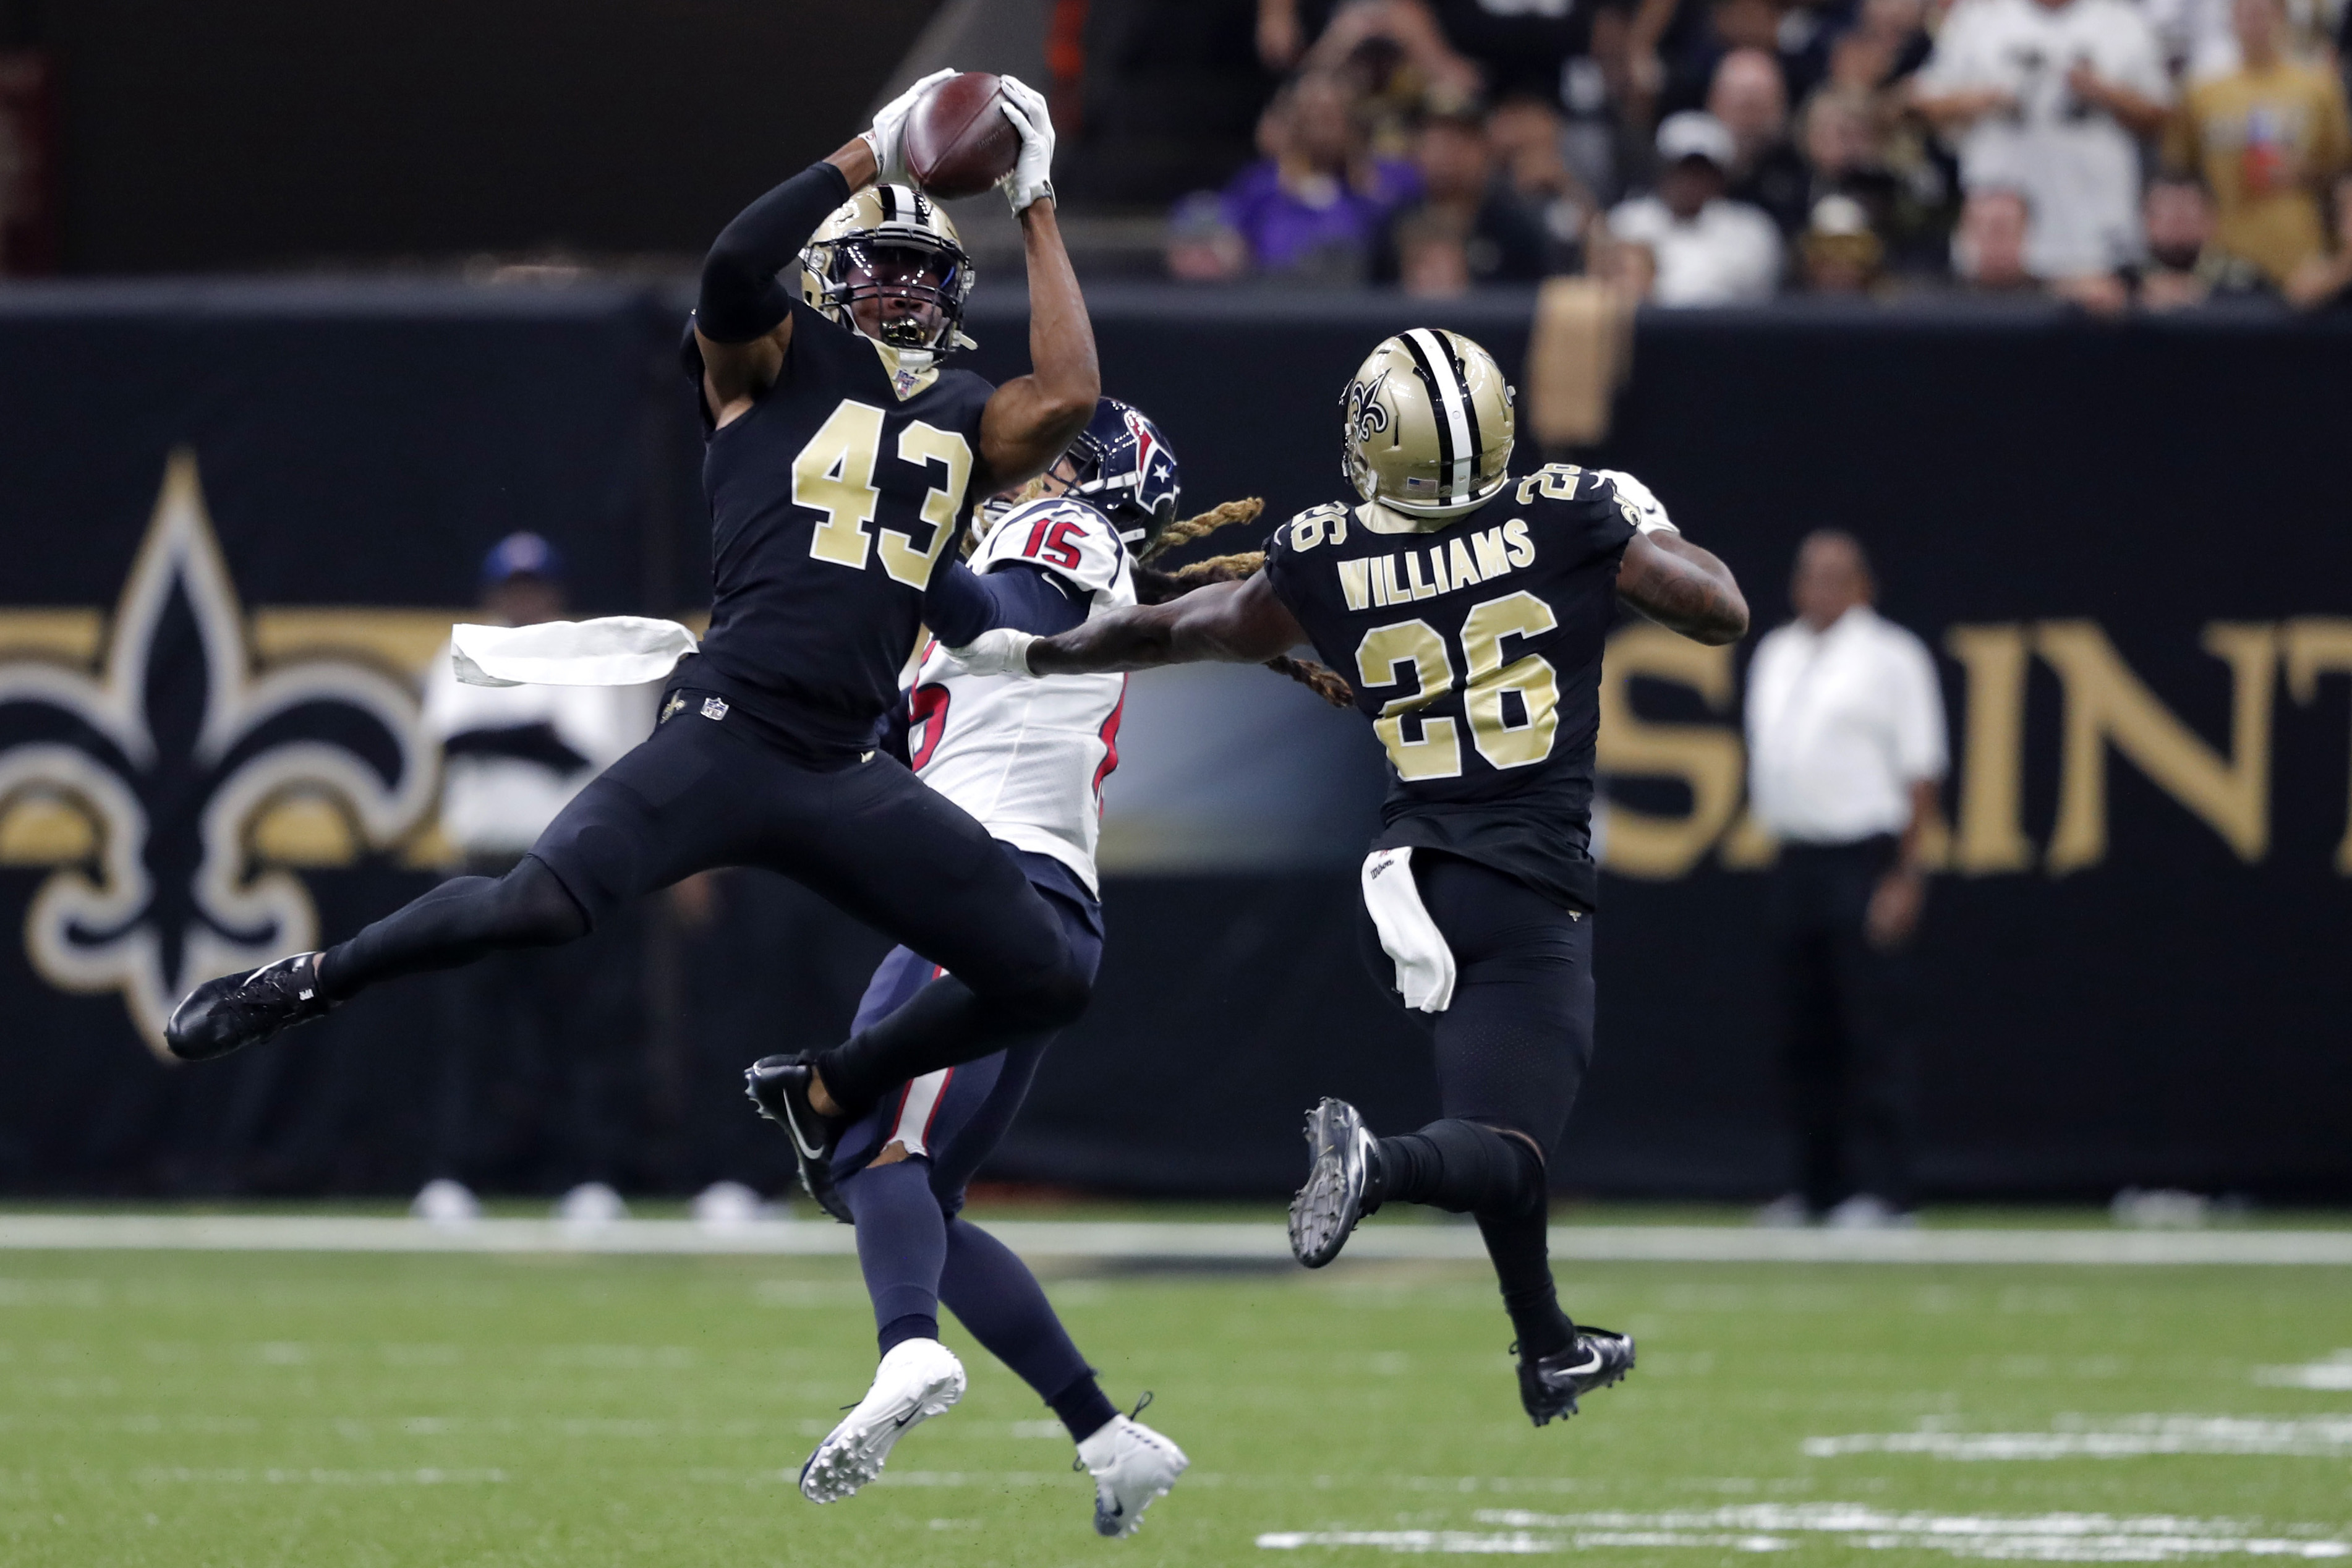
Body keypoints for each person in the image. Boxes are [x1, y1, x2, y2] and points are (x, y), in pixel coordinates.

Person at [164, 71, 1109, 1160]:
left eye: (920, 270)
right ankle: (306, 981)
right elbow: (729, 265)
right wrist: (870, 149)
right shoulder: (770, 362)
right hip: (731, 730)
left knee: (1043, 973)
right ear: (827, 277)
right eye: (879, 263)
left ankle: (831, 1090)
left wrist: (1035, 199)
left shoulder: (966, 411)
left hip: (846, 764)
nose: (900, 289)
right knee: (538, 906)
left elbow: (1072, 392)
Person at [947, 328, 1750, 1426]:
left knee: (1496, 1127)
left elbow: (1196, 626)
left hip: (1404, 881)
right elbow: (1717, 612)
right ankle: (1374, 1165)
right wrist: (1644, 520)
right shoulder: (1570, 512)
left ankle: (1547, 1342)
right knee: (1505, 1152)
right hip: (1520, 880)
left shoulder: (1327, 549)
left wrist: (1032, 650)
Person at [748, 401, 1300, 1528]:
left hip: (991, 888)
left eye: (1042, 458)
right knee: (919, 1196)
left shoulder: (1066, 541)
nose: (1010, 469)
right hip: (1019, 893)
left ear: (1084, 479)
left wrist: (907, 534)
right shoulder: (1054, 556)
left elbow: (982, 608)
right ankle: (1107, 1436)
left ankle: (907, 1352)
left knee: (875, 1157)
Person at [420, 534, 656, 1192]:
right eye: (513, 586)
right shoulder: (464, 648)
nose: (525, 598)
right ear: (494, 593)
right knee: (474, 1033)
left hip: (563, 870)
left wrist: (506, 739)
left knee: (582, 1028)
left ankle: (588, 1175)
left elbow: (584, 752)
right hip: (482, 866)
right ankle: (460, 1176)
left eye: (536, 586)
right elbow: (453, 738)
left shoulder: (583, 652)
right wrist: (532, 738)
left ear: (557, 593)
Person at [1744, 531, 1946, 1229]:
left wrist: (1906, 875)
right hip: (1794, 857)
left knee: (1872, 1028)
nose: (1821, 587)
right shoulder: (1776, 650)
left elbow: (1922, 772)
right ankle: (1814, 1187)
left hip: (1862, 855)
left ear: (1864, 584)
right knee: (1802, 1031)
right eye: (1810, 574)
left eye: (1836, 575)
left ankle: (1886, 1192)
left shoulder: (1891, 656)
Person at [1910, 0, 2171, 281]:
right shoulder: (1981, 17)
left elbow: (2161, 117)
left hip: (2094, 220)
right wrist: (1987, 98)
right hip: (2001, 228)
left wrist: (2103, 91)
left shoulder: (2120, 21)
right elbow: (1922, 105)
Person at [2165, 0, 2352, 288]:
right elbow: (2179, 172)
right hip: (2225, 254)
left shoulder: (2317, 87)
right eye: (2244, 12)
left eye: (2262, 12)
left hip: (2301, 252)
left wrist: (2304, 172)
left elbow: (2342, 169)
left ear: (2282, 18)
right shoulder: (2203, 93)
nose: (2254, 22)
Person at [1211, 71, 1423, 282]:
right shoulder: (1260, 185)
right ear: (1295, 124)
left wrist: (1367, 184)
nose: (1323, 129)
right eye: (1313, 117)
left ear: (1352, 123)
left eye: (1332, 117)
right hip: (1275, 300)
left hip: (1355, 302)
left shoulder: (1382, 181)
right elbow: (1228, 244)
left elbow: (1412, 211)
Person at [1608, 111, 1785, 303]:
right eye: (1682, 170)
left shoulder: (1752, 231)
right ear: (1662, 171)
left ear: (1720, 177)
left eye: (1701, 172)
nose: (1690, 182)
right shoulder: (1626, 223)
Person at [1374, 101, 1553, 286]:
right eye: (1436, 143)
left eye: (1460, 142)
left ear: (1484, 150)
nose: (1448, 155)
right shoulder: (1394, 227)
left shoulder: (1514, 231)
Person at [2133, 172, 2273, 307]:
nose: (2177, 225)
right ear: (2145, 220)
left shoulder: (2243, 279)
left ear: (2211, 220)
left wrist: (2204, 294)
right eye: (2167, 216)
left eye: (2187, 217)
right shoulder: (2127, 282)